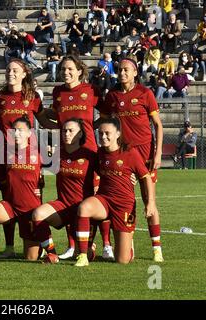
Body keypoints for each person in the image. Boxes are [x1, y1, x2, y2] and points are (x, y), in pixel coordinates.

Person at [0, 59, 55, 258]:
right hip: (6, 157)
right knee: (8, 198)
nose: (11, 73)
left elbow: (42, 119)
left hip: (30, 159)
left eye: (15, 70)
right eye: (8, 70)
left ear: (24, 73)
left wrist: (62, 129)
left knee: (32, 200)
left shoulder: (32, 96)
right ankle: (9, 247)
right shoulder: (0, 97)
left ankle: (39, 242)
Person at [47, 55, 113, 260]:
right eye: (63, 69)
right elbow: (53, 117)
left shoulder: (90, 90)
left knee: (95, 196)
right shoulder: (57, 92)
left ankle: (106, 244)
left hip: (88, 152)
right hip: (65, 153)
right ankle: (72, 244)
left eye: (70, 69)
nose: (66, 73)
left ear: (79, 71)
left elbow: (106, 114)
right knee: (67, 198)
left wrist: (89, 129)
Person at [99, 58, 164, 262]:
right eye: (120, 70)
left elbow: (158, 125)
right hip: (122, 160)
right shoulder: (112, 96)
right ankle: (129, 244)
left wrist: (158, 153)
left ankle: (156, 248)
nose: (123, 73)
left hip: (145, 158)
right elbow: (103, 122)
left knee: (149, 201)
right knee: (122, 201)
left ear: (135, 72)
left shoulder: (145, 93)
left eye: (126, 70)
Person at [74, 117, 158, 266]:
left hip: (124, 205)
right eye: (100, 133)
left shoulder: (130, 153)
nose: (103, 137)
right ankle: (83, 255)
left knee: (122, 260)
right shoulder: (99, 154)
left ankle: (128, 247)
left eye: (107, 133)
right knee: (84, 208)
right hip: (104, 200)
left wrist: (150, 203)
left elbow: (146, 178)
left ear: (118, 134)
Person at [0, 116, 42, 263]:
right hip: (10, 207)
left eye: (20, 130)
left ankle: (41, 248)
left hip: (30, 210)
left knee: (31, 258)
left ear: (29, 133)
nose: (16, 134)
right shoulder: (4, 152)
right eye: (13, 131)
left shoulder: (39, 153)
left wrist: (39, 187)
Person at [32, 118, 97, 264]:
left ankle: (90, 248)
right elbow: (33, 162)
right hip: (63, 205)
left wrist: (129, 176)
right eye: (64, 131)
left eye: (71, 131)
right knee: (38, 214)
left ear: (80, 134)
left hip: (83, 210)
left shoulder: (90, 155)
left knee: (85, 254)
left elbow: (108, 171)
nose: (66, 134)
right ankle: (52, 254)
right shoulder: (57, 154)